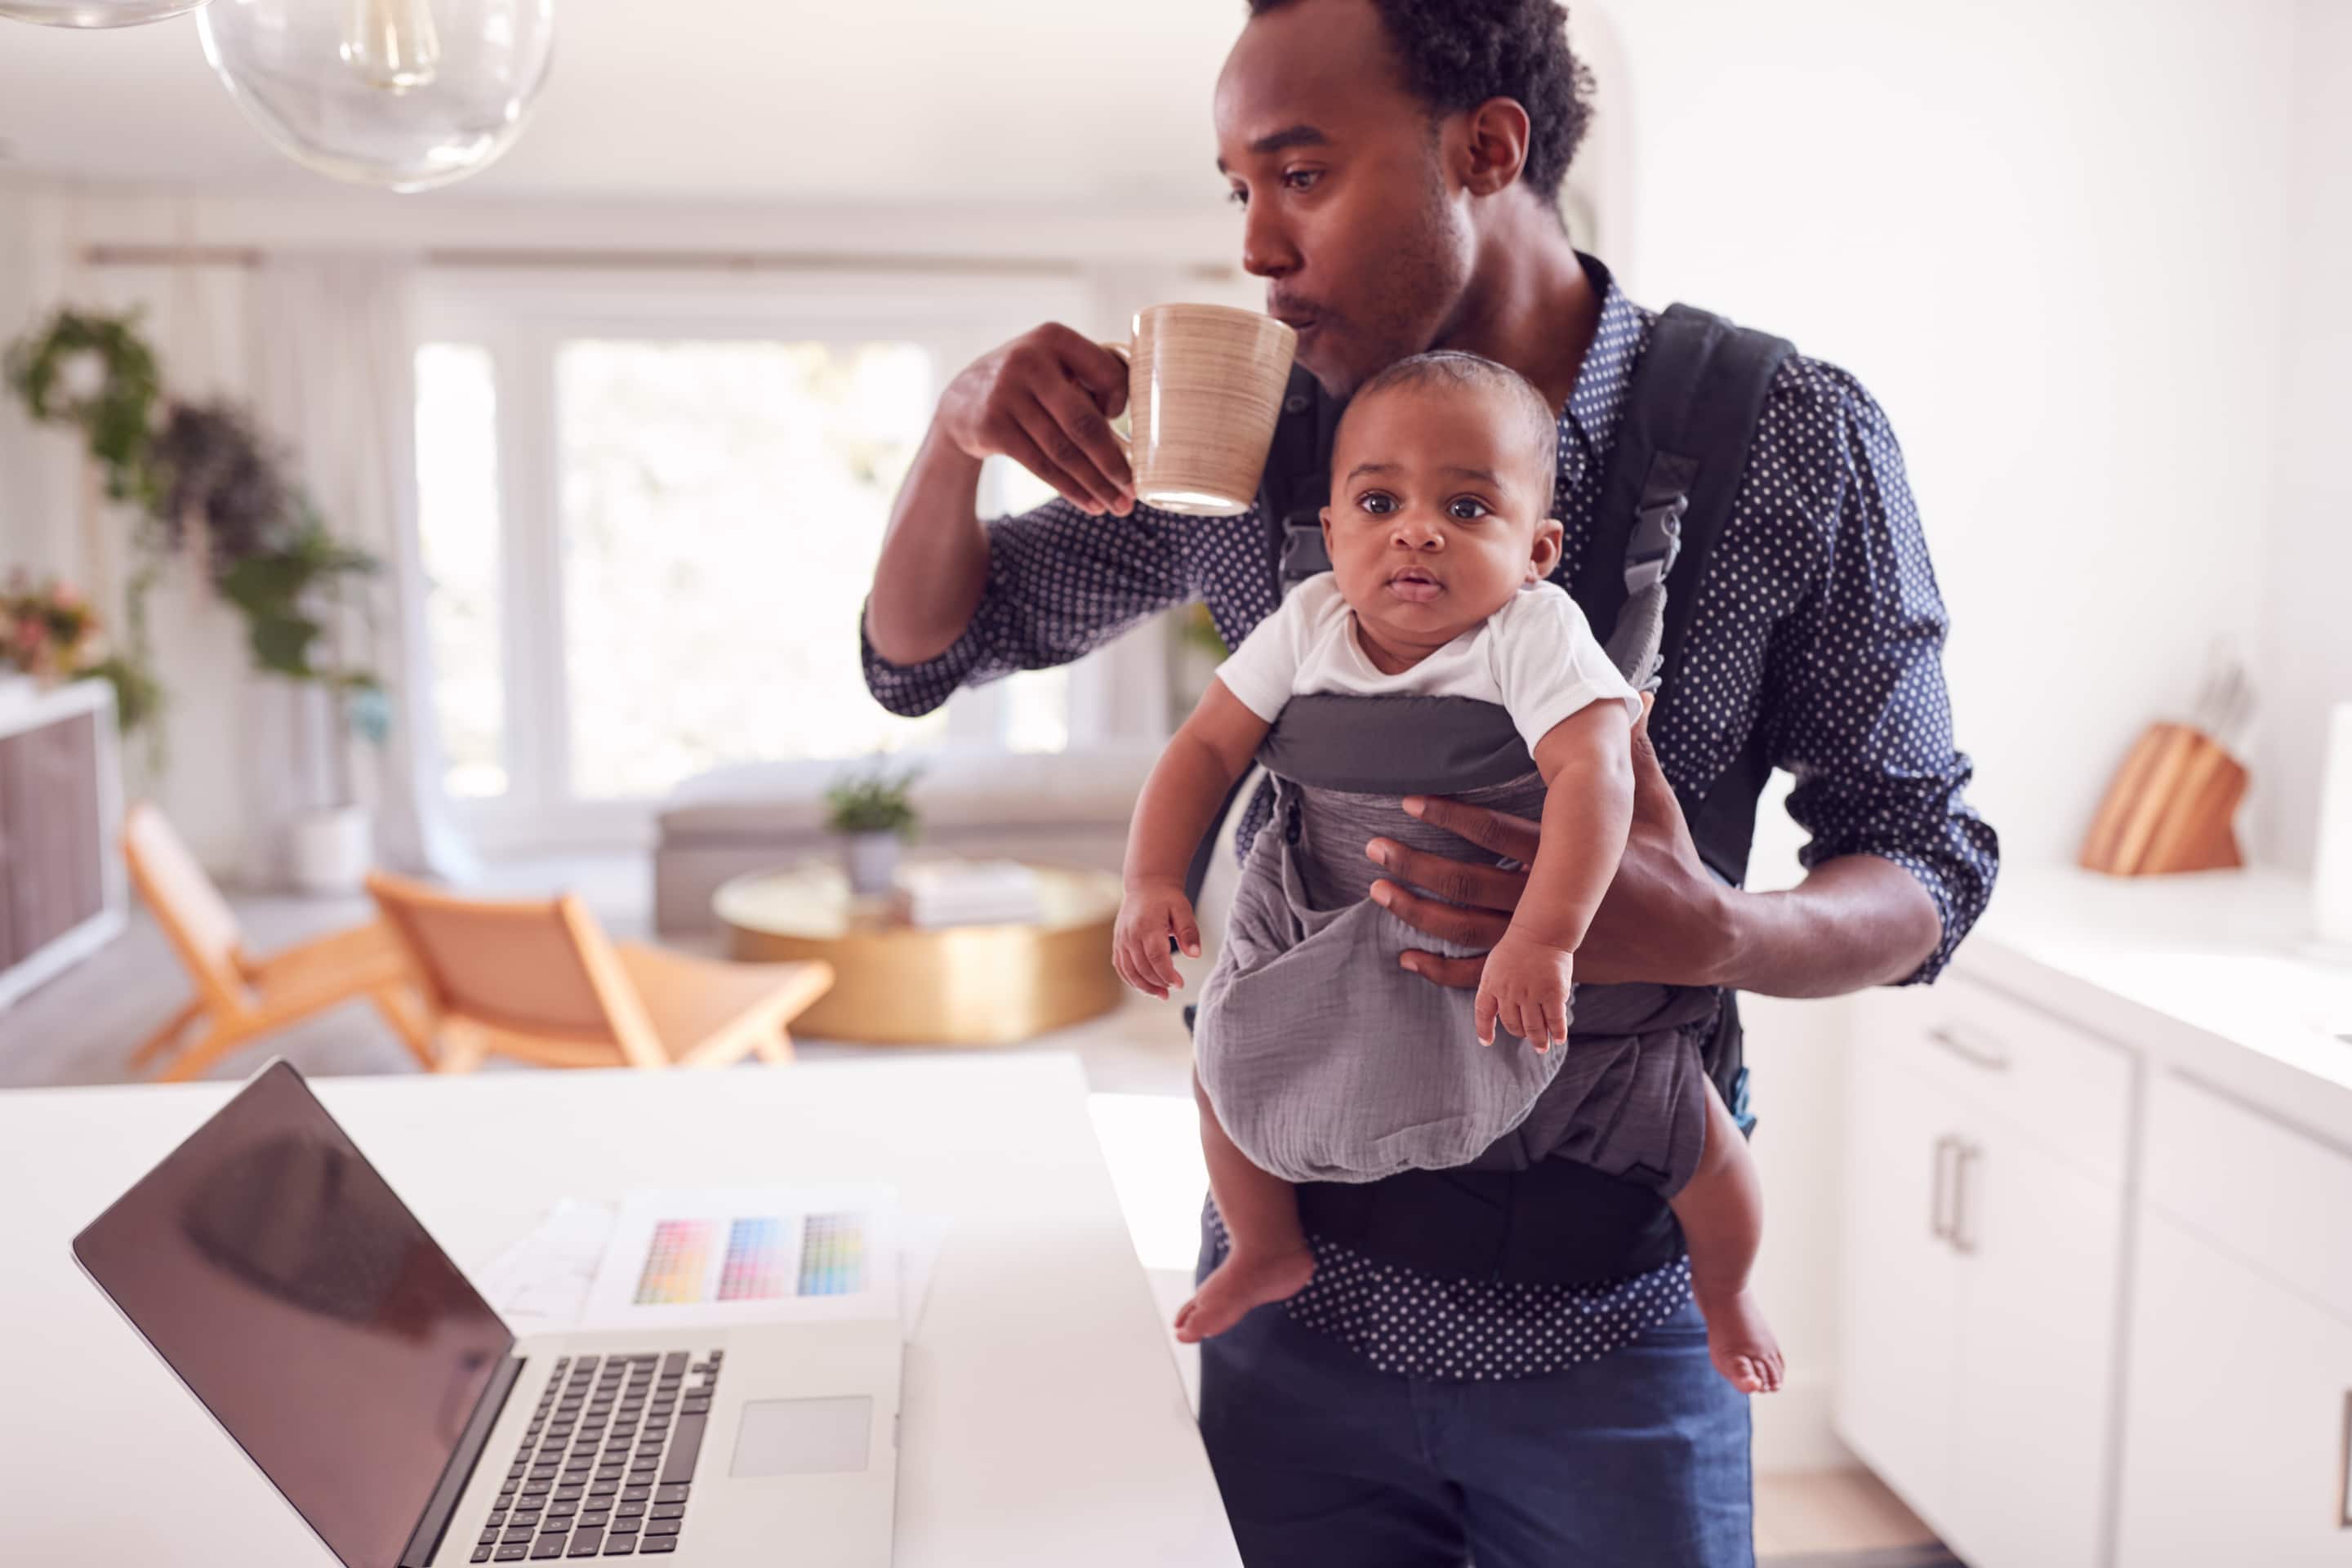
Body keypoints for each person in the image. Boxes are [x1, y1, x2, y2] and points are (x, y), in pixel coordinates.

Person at [862, 0, 1998, 1560]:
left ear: (1488, 147)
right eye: (1237, 189)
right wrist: (951, 437)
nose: (1257, 245)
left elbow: (1928, 863)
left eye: (1302, 175)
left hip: (1617, 1324)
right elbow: (925, 650)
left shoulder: (1785, 440)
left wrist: (1717, 932)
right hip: (1295, 1312)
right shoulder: (1258, 437)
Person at [1110, 350, 1784, 1398]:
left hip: (1512, 975)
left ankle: (1729, 1290)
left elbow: (1593, 776)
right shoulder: (1310, 625)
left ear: (1537, 552)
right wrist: (1150, 876)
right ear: (1333, 536)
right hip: (1328, 933)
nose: (1416, 530)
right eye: (1379, 501)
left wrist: (1545, 938)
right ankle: (1265, 1244)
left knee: (1696, 1134)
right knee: (1226, 1073)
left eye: (1469, 508)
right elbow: (1202, 750)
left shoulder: (1532, 634)